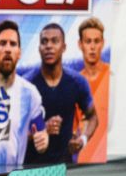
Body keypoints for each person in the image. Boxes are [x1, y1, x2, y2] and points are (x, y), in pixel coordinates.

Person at [0, 20, 47, 168]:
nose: (7, 49)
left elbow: (41, 130)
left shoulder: (30, 93)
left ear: (19, 52)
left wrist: (43, 140)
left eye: (12, 44)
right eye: (2, 43)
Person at [24, 23, 99, 165]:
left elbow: (93, 117)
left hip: (65, 165)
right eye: (44, 42)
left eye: (54, 41)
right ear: (39, 48)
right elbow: (12, 130)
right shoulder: (27, 85)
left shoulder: (77, 82)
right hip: (30, 166)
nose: (49, 46)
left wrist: (82, 140)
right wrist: (42, 130)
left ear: (63, 47)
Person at [76, 17, 110, 163]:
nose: (92, 47)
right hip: (83, 161)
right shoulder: (75, 83)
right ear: (80, 44)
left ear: (102, 43)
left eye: (96, 41)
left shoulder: (113, 77)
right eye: (88, 41)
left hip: (111, 158)